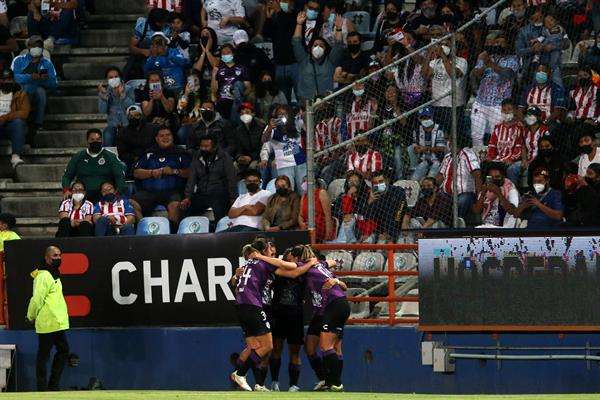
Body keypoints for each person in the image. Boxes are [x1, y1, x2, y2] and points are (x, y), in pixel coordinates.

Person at [254, 245, 348, 391]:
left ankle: (335, 382)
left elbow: (285, 266)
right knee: (311, 348)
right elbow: (332, 263)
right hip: (321, 310)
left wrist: (259, 257)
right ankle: (327, 381)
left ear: (297, 258)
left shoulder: (306, 266)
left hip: (331, 306)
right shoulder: (314, 265)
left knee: (328, 346)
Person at [230, 239, 315, 392]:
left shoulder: (248, 264)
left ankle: (246, 381)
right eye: (271, 251)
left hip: (241, 306)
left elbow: (236, 284)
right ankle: (240, 374)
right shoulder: (265, 263)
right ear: (264, 251)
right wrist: (310, 263)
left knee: (253, 346)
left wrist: (235, 277)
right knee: (268, 346)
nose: (274, 254)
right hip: (253, 306)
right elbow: (294, 270)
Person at [26, 246, 69, 392]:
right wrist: (30, 316)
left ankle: (52, 386)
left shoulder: (53, 273)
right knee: (43, 356)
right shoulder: (43, 276)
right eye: (54, 256)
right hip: (47, 322)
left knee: (62, 351)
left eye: (59, 255)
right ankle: (43, 388)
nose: (58, 258)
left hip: (56, 322)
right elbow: (37, 299)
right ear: (46, 258)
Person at [132, 127, 191, 232]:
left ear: (172, 137)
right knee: (131, 203)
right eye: (162, 136)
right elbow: (136, 173)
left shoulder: (181, 153)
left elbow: (190, 172)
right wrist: (151, 173)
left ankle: (172, 235)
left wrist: (174, 171)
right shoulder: (149, 153)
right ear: (156, 139)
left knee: (175, 206)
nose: (165, 138)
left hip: (173, 192)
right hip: (149, 192)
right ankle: (143, 230)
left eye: (168, 135)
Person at [470, 34, 519, 146]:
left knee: (497, 135)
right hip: (480, 102)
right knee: (476, 135)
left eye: (501, 43)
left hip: (499, 104)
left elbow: (508, 75)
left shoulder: (513, 59)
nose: (498, 45)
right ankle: (478, 159)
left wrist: (490, 64)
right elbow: (475, 74)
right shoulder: (486, 56)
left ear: (507, 44)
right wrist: (484, 63)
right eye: (496, 43)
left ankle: (496, 160)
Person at [268, 247, 305, 392]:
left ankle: (293, 385)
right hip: (278, 314)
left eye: (294, 256)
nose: (292, 258)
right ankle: (274, 382)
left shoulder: (304, 271)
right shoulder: (277, 271)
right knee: (276, 349)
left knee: (295, 352)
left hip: (296, 315)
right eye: (289, 256)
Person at [181, 134, 237, 226]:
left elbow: (231, 179)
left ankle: (220, 234)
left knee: (220, 213)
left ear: (214, 147)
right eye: (202, 146)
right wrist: (187, 197)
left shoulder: (224, 157)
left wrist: (233, 197)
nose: (203, 149)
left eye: (206, 146)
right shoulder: (197, 157)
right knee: (188, 212)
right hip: (202, 193)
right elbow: (192, 178)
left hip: (219, 194)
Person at [292, 11, 344, 104]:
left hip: (326, 104)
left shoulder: (331, 61)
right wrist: (299, 24)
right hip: (306, 104)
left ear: (325, 49)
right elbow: (296, 42)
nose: (318, 47)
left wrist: (339, 29)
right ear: (310, 48)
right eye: (315, 45)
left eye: (321, 46)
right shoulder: (303, 59)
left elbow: (338, 45)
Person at [62, 129, 127, 202]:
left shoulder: (110, 156)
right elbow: (67, 176)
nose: (95, 142)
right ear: (87, 141)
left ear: (102, 140)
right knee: (66, 203)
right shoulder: (78, 156)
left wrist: (118, 192)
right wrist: (66, 190)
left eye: (98, 139)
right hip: (83, 194)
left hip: (105, 194)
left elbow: (119, 176)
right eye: (92, 139)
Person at [11, 35, 57, 131]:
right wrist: (30, 77)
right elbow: (14, 77)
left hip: (38, 88)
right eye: (34, 46)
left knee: (41, 92)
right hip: (21, 89)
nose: (36, 48)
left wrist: (44, 80)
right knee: (26, 89)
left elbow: (54, 84)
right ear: (28, 47)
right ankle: (22, 120)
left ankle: (38, 123)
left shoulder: (47, 63)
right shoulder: (19, 60)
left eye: (39, 46)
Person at [423, 37, 468, 134]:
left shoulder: (461, 61)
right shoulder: (434, 62)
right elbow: (425, 75)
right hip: (437, 104)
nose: (443, 47)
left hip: (454, 106)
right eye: (441, 45)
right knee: (440, 135)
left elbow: (454, 74)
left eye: (446, 45)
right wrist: (429, 53)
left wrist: (443, 55)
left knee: (454, 135)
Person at [260, 105, 307, 192]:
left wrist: (300, 112)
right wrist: (270, 127)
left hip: (301, 162)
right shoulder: (271, 128)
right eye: (279, 114)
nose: (282, 116)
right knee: (288, 191)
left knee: (304, 190)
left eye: (285, 114)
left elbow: (306, 117)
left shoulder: (296, 123)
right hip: (284, 165)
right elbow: (264, 140)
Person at [437, 134, 482, 219]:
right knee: (438, 199)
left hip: (465, 193)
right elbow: (440, 175)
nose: (448, 143)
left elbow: (477, 175)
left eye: (450, 141)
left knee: (461, 201)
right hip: (447, 194)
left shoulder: (468, 154)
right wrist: (433, 185)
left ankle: (457, 222)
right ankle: (443, 223)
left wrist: (479, 195)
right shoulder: (448, 157)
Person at [263, 0, 298, 103]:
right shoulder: (277, 17)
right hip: (279, 64)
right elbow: (267, 33)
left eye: (284, 0)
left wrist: (278, 11)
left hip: (294, 64)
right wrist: (268, 18)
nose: (280, 3)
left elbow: (286, 27)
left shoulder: (295, 15)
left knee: (300, 98)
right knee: (283, 101)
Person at [126, 8, 172, 80]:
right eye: (163, 21)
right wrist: (143, 51)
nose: (165, 23)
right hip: (145, 57)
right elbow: (132, 47)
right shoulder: (143, 25)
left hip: (163, 56)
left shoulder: (168, 27)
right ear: (157, 22)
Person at [509, 106, 549, 188]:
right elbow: (523, 146)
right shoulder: (525, 130)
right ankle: (514, 192)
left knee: (529, 170)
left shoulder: (544, 131)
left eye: (532, 115)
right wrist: (524, 160)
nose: (529, 117)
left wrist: (531, 163)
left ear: (538, 117)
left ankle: (528, 192)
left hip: (540, 162)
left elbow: (545, 149)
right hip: (527, 160)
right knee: (511, 169)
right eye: (528, 115)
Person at [211, 43, 250, 123]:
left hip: (236, 100)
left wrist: (240, 97)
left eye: (228, 52)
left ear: (233, 53)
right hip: (222, 102)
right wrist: (214, 75)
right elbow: (214, 90)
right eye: (223, 53)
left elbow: (248, 88)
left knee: (238, 84)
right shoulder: (218, 69)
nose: (226, 55)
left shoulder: (241, 68)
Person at [473, 162, 519, 228]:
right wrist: (483, 194)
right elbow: (477, 210)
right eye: (491, 177)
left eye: (497, 177)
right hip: (487, 225)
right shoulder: (486, 186)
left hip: (505, 227)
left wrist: (499, 193)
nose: (494, 180)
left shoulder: (510, 188)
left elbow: (513, 211)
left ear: (503, 176)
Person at [98, 66, 136, 147]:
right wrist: (104, 98)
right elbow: (102, 111)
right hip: (113, 126)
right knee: (107, 135)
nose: (114, 79)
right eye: (110, 77)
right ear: (107, 80)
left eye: (116, 77)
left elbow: (132, 108)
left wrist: (123, 96)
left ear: (120, 77)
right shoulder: (105, 92)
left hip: (128, 125)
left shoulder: (128, 89)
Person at [364, 172, 407, 242]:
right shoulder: (373, 195)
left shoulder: (398, 191)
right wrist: (370, 201)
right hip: (379, 230)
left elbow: (399, 212)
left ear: (387, 181)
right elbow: (367, 217)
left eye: (381, 181)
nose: (378, 184)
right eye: (375, 183)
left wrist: (389, 232)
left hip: (397, 226)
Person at [116, 105, 157, 177]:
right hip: (132, 161)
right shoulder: (123, 132)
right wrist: (135, 158)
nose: (134, 118)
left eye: (136, 115)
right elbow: (122, 153)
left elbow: (156, 145)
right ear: (127, 118)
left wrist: (147, 157)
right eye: (131, 116)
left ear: (141, 116)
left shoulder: (152, 128)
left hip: (151, 159)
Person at [408, 107, 447, 182]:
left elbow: (442, 148)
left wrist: (425, 149)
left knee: (430, 179)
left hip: (437, 160)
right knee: (414, 180)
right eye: (422, 117)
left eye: (427, 117)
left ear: (432, 117)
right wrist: (416, 148)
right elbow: (415, 145)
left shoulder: (439, 129)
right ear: (419, 119)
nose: (425, 119)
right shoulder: (417, 130)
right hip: (423, 160)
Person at [486, 99, 524, 172]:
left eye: (509, 109)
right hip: (498, 160)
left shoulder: (519, 127)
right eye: (504, 110)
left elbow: (519, 148)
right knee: (484, 165)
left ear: (515, 111)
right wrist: (490, 157)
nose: (506, 112)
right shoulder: (497, 127)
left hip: (510, 161)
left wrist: (511, 159)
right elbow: (492, 145)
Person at [0, 69, 28, 167]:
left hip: (10, 125)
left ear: (13, 80)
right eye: (4, 79)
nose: (7, 82)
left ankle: (15, 157)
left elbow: (24, 113)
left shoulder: (20, 94)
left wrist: (5, 118)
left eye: (9, 79)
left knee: (18, 122)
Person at [232, 102, 266, 175]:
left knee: (253, 167)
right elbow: (238, 147)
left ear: (253, 114)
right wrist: (240, 157)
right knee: (234, 166)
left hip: (258, 157)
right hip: (245, 158)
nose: (244, 115)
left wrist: (251, 157)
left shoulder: (261, 127)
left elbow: (263, 146)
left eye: (247, 112)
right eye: (242, 113)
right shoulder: (239, 130)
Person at [299, 177, 334, 242]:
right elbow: (300, 215)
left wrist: (328, 233)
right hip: (307, 228)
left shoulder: (321, 193)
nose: (303, 183)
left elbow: (328, 215)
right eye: (303, 181)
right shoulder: (304, 197)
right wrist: (302, 223)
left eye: (305, 181)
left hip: (320, 228)